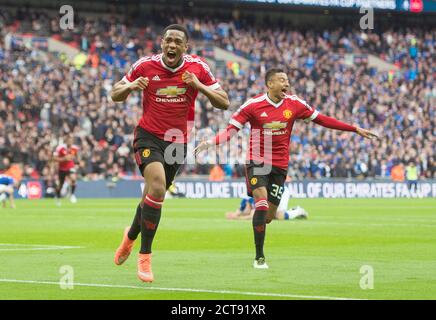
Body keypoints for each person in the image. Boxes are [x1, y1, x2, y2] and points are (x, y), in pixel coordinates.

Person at [196, 68, 378, 269]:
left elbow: (323, 119)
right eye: (282, 80)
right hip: (257, 162)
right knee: (261, 204)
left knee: (269, 216)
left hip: (280, 166)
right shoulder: (253, 105)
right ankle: (259, 257)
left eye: (287, 81)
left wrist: (354, 129)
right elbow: (232, 129)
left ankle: (272, 222)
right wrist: (211, 142)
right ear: (270, 84)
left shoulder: (295, 104)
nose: (286, 84)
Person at [111, 24, 229, 283]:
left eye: (178, 42)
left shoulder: (198, 68)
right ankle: (145, 256)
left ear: (185, 47)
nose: (172, 46)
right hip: (148, 136)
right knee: (157, 188)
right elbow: (114, 94)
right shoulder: (144, 65)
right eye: (168, 41)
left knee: (150, 199)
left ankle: (129, 237)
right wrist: (131, 87)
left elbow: (224, 101)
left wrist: (199, 85)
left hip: (178, 142)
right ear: (161, 43)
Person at [226, 187, 308, 220]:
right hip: (269, 195)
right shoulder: (247, 195)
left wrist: (237, 218)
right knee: (270, 216)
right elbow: (242, 211)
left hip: (280, 191)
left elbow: (253, 215)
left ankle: (298, 211)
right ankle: (292, 210)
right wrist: (233, 214)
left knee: (279, 216)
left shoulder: (257, 193)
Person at [53, 135, 79, 205]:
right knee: (60, 185)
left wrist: (77, 163)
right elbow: (54, 158)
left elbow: (77, 157)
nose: (70, 142)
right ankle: (58, 197)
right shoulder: (60, 148)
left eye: (71, 140)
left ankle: (72, 195)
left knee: (73, 179)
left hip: (70, 167)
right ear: (66, 141)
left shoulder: (75, 148)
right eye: (69, 140)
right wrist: (64, 159)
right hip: (62, 168)